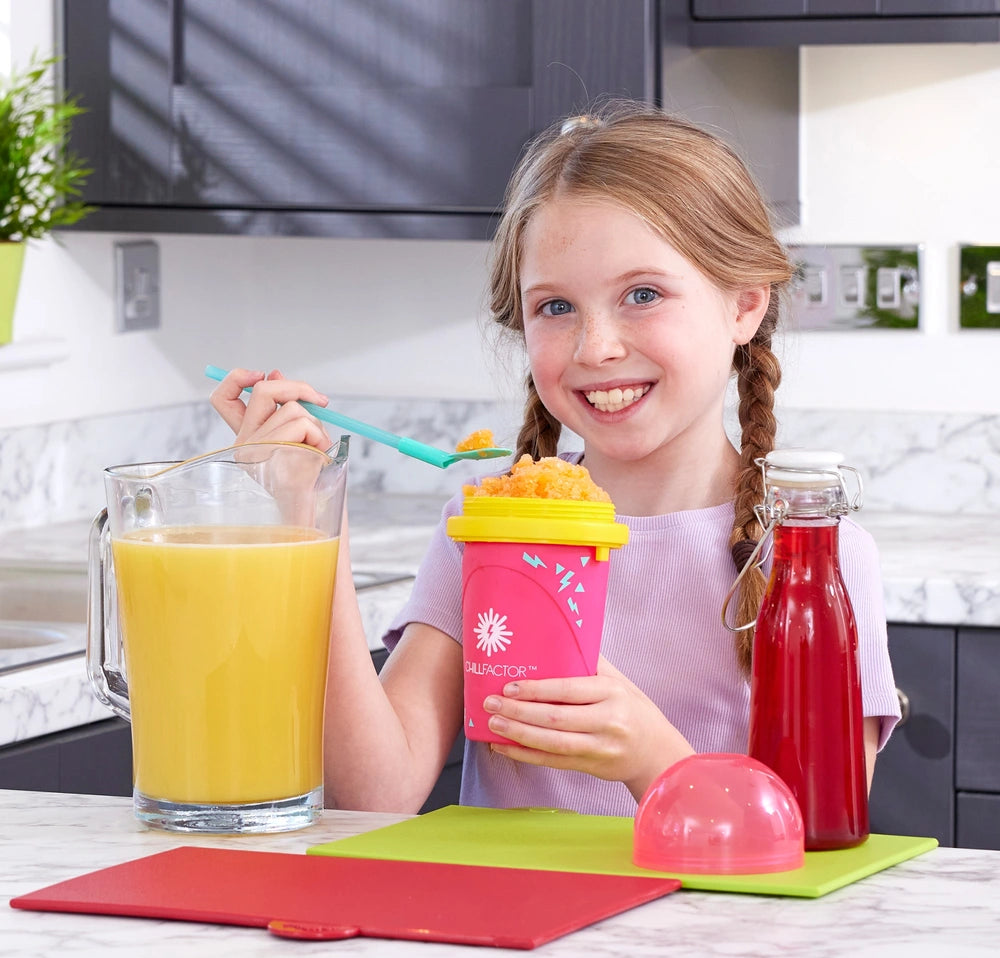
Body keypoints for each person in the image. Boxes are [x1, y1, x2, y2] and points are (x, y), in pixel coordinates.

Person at [211, 100, 900, 818]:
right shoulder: (485, 526)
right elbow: (370, 795)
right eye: (556, 307)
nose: (595, 347)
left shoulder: (814, 553)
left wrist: (649, 756)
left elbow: (814, 829)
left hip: (707, 931)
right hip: (507, 923)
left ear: (744, 307)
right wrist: (309, 514)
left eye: (643, 294)